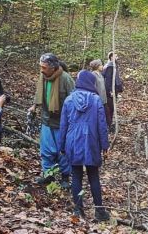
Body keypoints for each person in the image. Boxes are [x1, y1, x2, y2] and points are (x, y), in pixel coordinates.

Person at [59, 70, 110, 221]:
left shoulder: (69, 100)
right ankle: (99, 211)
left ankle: (78, 210)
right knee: (93, 175)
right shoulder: (96, 100)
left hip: (73, 140)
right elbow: (102, 125)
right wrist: (105, 145)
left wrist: (61, 145)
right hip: (91, 141)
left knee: (76, 175)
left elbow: (63, 125)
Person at [28, 53, 75, 187]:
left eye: (44, 67)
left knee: (63, 151)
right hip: (46, 120)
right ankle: (48, 175)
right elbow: (39, 94)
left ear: (53, 68)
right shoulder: (42, 77)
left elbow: (73, 99)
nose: (41, 70)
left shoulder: (66, 79)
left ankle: (65, 177)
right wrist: (34, 106)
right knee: (46, 150)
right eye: (40, 67)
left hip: (62, 123)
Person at [102, 52, 123, 129]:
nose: (117, 57)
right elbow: (108, 79)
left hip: (114, 89)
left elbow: (116, 78)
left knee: (111, 108)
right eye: (115, 56)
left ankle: (109, 124)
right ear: (111, 57)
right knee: (110, 108)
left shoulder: (114, 65)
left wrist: (119, 87)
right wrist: (110, 91)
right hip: (110, 91)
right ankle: (108, 125)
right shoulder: (110, 66)